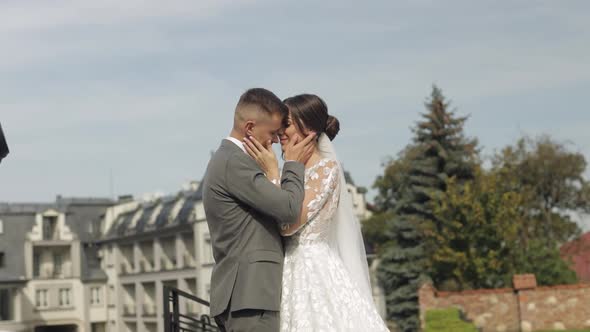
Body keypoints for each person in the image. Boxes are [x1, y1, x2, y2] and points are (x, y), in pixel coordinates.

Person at [244, 93, 390, 331]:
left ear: (309, 128)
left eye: (287, 124)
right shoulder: (291, 173)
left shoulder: (325, 169)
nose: (281, 132)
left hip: (312, 271)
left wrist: (271, 173)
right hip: (288, 269)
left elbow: (288, 224)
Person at [202, 88, 316, 332]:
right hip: (250, 296)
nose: (276, 140)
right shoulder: (234, 162)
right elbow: (288, 209)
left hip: (249, 295)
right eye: (273, 133)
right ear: (250, 128)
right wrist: (293, 165)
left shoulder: (232, 160)